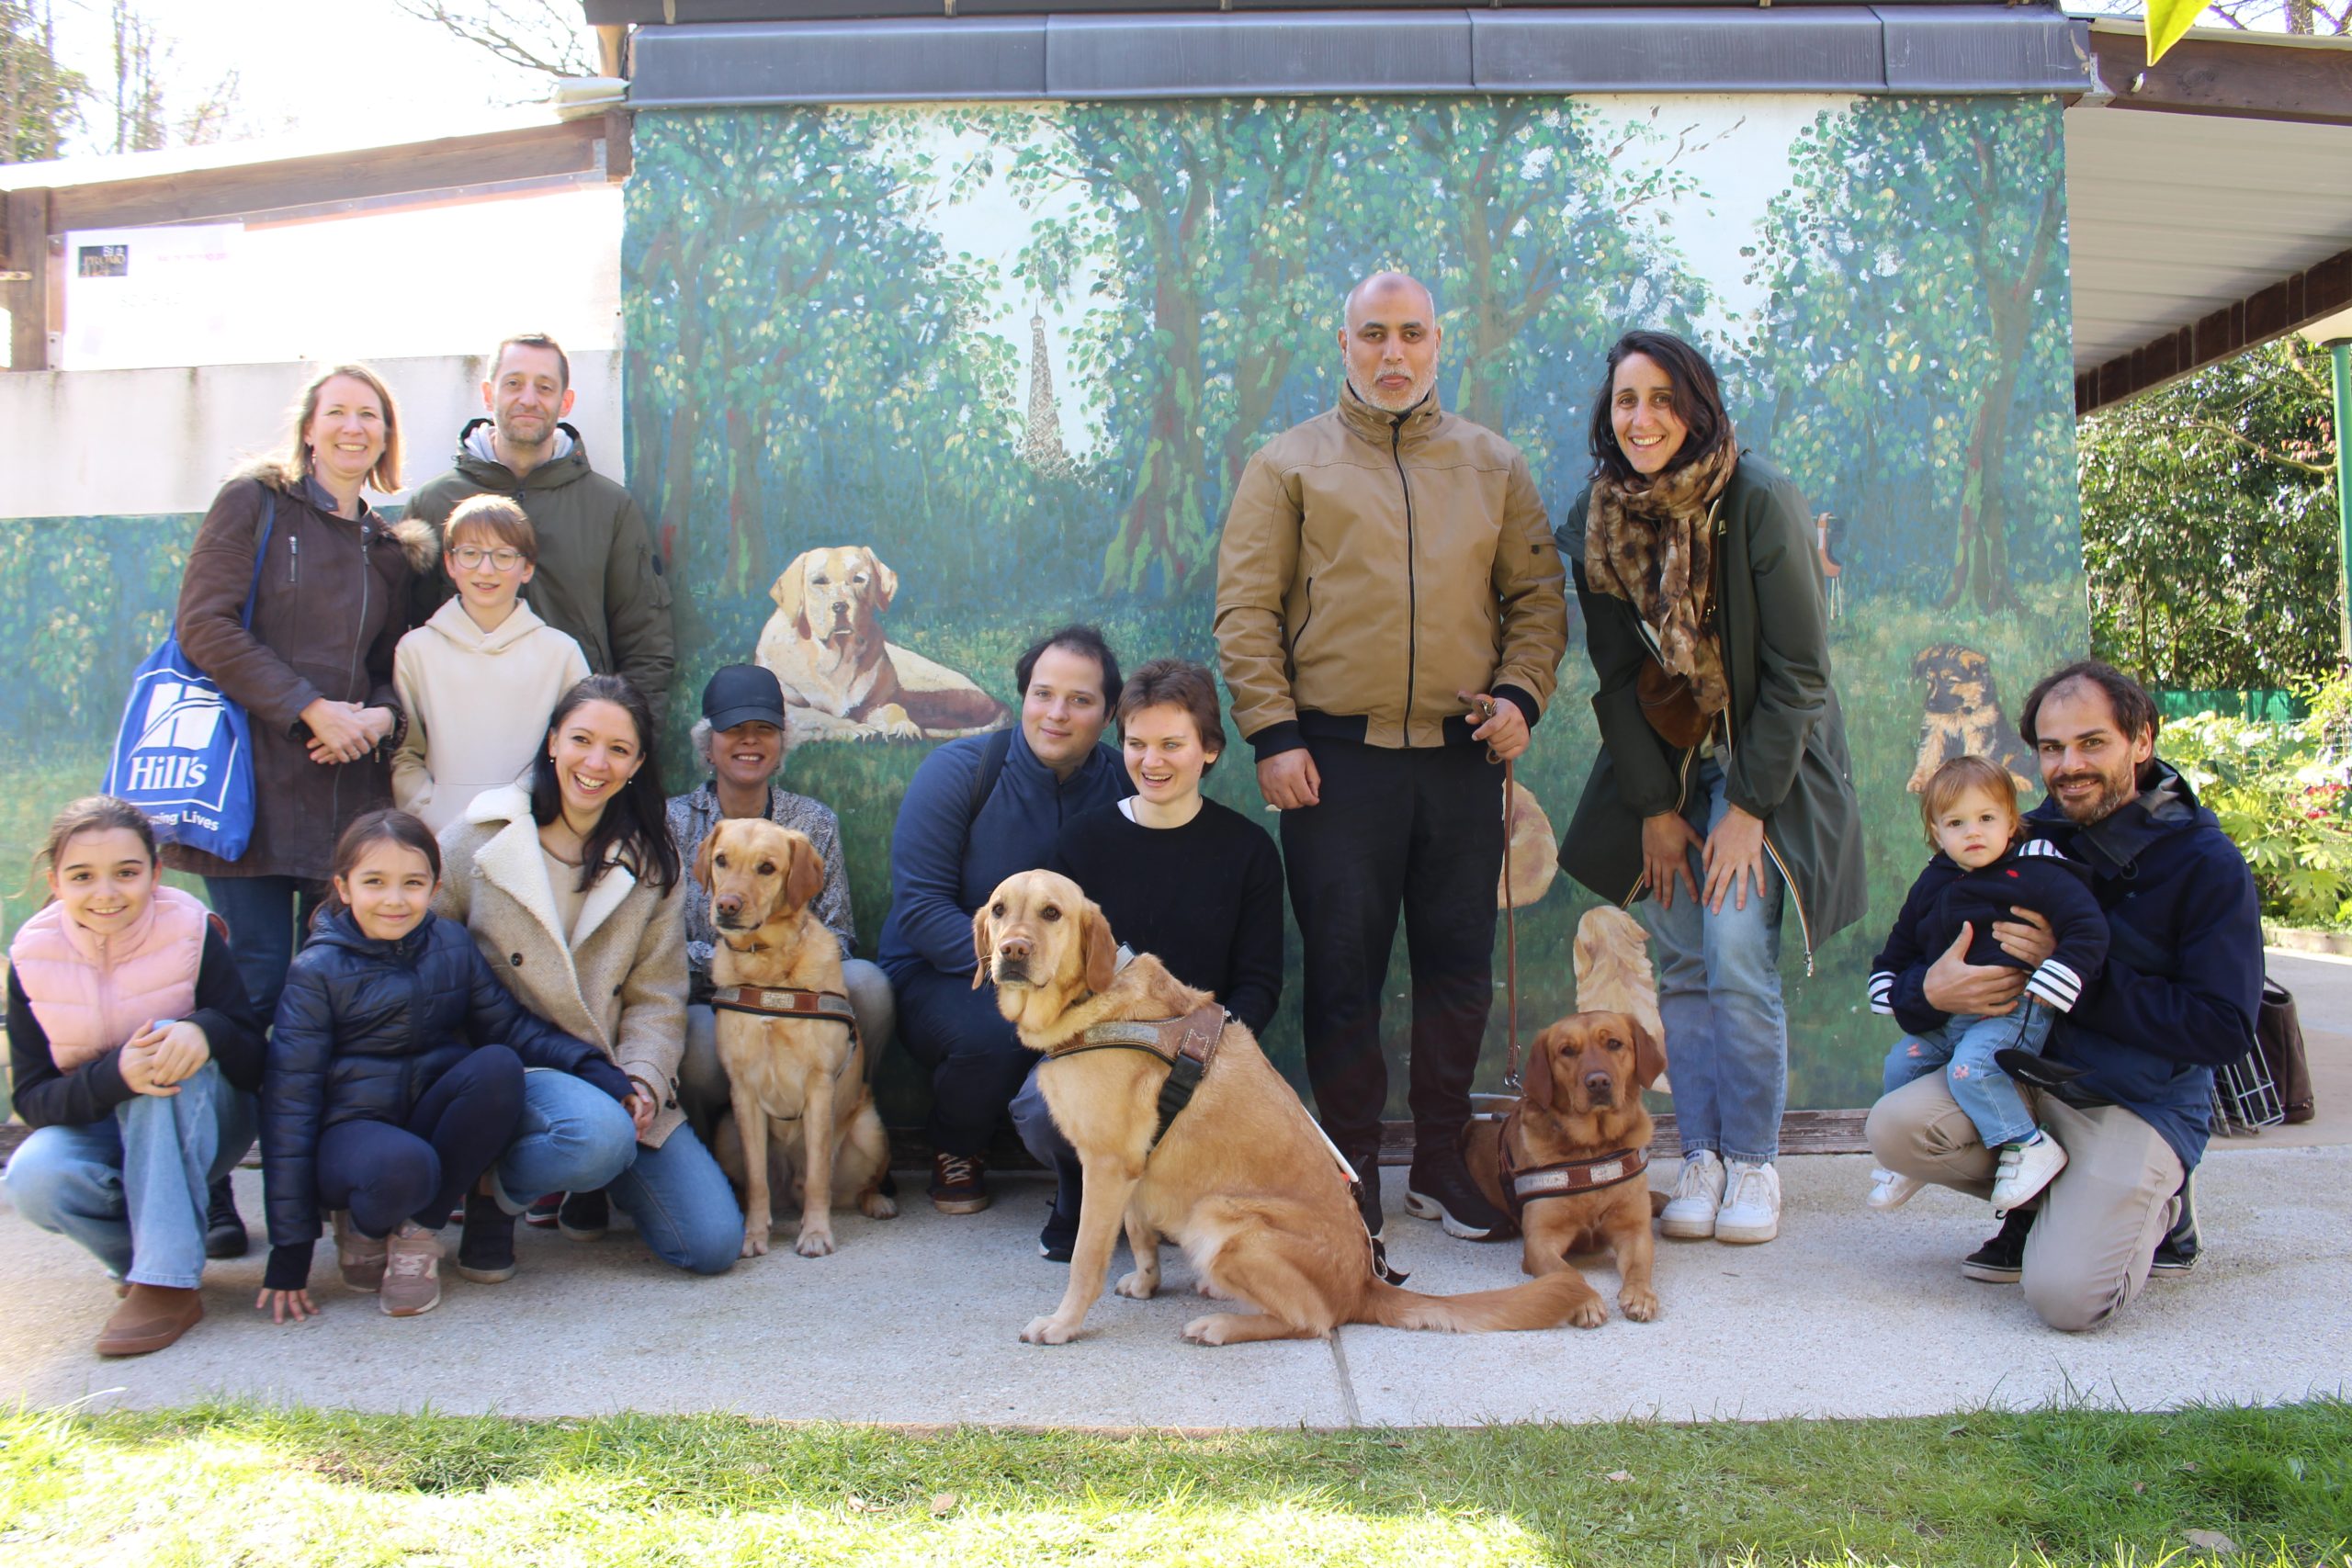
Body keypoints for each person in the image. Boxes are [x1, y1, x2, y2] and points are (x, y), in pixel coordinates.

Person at [1215, 270, 1566, 1245]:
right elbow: (1246, 610)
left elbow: (1538, 601)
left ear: (1438, 342)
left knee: (1459, 969)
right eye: (1373, 334)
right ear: (1345, 345)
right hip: (1334, 762)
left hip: (1460, 759)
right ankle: (1354, 1166)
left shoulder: (1493, 464)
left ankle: (1442, 1162)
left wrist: (1520, 695)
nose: (1393, 353)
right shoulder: (1287, 465)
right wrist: (1273, 734)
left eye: (1412, 333)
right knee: (1342, 971)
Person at [1556, 329, 1865, 1247]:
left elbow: (1800, 673)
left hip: (1760, 757)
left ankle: (1754, 1161)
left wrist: (1750, 810)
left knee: (1735, 951)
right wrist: (1655, 809)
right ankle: (1701, 1156)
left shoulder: (1755, 497)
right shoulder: (1597, 518)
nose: (1642, 418)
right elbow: (1617, 679)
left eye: (1662, 398)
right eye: (1627, 400)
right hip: (1668, 765)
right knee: (1683, 959)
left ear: (1696, 408)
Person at [1866, 660, 2261, 1332]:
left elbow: (2223, 1028)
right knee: (1896, 1127)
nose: (2069, 765)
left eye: (2092, 742)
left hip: (2135, 1098)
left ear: (2142, 740)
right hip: (2024, 1074)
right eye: (2052, 748)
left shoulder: (2205, 863)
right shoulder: (2016, 835)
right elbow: (1924, 936)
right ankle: (2040, 1203)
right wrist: (1924, 990)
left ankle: (2162, 1206)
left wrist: (2072, 972)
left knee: (2068, 1299)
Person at [165, 361, 419, 1258]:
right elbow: (205, 625)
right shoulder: (255, 503)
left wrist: (378, 717)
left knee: (341, 1006)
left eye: (370, 415)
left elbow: (393, 666)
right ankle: (203, 1185)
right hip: (253, 794)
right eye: (337, 412)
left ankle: (329, 1192)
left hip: (348, 805)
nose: (353, 427)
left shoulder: (391, 548)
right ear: (309, 427)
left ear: (385, 437)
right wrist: (308, 708)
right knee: (255, 991)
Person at [254, 811, 632, 1320]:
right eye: (374, 882)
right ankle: (365, 1227)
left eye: (412, 883)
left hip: (424, 1120)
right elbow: (289, 1106)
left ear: (434, 888)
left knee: (497, 1066)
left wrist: (597, 1070)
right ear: (343, 888)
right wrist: (290, 1250)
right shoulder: (316, 973)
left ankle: (417, 1234)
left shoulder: (450, 944)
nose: (394, 899)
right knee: (404, 1166)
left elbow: (509, 1027)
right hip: (351, 1134)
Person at [435, 674, 739, 1276]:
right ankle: (494, 1192)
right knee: (598, 1136)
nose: (596, 763)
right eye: (581, 740)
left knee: (712, 1243)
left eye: (618, 749)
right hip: (505, 1072)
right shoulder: (478, 838)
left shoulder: (653, 862)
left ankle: (581, 1173)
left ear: (637, 764)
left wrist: (644, 1081)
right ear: (552, 741)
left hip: (611, 1073)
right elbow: (422, 951)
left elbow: (658, 995)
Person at [1010, 657, 1286, 1259]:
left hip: (1203, 1052)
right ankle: (1080, 1192)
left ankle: (1170, 1205)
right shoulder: (1082, 842)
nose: (1151, 761)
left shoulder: (1248, 850)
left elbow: (1260, 981)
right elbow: (1057, 973)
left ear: (1209, 749)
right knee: (1038, 1108)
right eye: (1137, 744)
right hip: (1102, 1048)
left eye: (1171, 745)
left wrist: (1200, 1055)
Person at [878, 626, 1131, 1215]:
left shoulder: (1124, 784)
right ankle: (957, 1143)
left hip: (1071, 975)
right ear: (1023, 697)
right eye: (1043, 694)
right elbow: (920, 909)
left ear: (1109, 713)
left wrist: (1068, 979)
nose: (1057, 714)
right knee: (998, 1029)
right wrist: (1015, 968)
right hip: (943, 971)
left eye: (1080, 700)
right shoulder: (960, 772)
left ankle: (1098, 1174)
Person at [4, 796, 264, 1356]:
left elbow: (253, 1060)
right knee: (32, 1176)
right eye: (82, 876)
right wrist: (114, 1077)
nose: (106, 893)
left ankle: (167, 1285)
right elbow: (33, 1099)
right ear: (55, 881)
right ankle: (149, 1263)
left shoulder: (190, 930)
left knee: (163, 1046)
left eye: (126, 872)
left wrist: (205, 1031)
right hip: (106, 1129)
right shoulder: (31, 956)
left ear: (155, 873)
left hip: (206, 1122)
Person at [1865, 755, 2109, 1214]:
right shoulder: (1933, 881)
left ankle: (2027, 1143)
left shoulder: (2036, 872)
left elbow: (2088, 928)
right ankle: (1908, 1158)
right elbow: (1903, 940)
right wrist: (1889, 981)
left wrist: (2058, 973)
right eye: (1956, 823)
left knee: (1973, 1069)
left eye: (1986, 818)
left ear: (2011, 822)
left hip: (2012, 1009)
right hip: (1950, 1016)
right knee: (1901, 1062)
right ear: (1937, 832)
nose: (1973, 832)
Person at [667, 663, 896, 1145]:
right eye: (734, 729)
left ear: (782, 744)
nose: (750, 740)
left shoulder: (812, 822)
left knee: (868, 985)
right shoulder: (672, 822)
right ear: (708, 745)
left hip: (801, 992)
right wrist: (738, 967)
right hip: (713, 999)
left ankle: (840, 1136)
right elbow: (661, 945)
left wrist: (780, 975)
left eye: (765, 729)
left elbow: (839, 934)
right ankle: (708, 1159)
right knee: (700, 1048)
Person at [405, 333, 675, 727]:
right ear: (488, 394)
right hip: (463, 730)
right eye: (514, 383)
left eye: (544, 387)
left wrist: (629, 737)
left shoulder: (609, 507)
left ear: (565, 401)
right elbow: (409, 628)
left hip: (577, 736)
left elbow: (645, 640)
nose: (529, 399)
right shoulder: (433, 503)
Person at [390, 496, 591, 835]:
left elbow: (580, 748)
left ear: (527, 568)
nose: (486, 570)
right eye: (470, 554)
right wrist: (430, 809)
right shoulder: (416, 650)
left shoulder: (561, 653)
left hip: (533, 834)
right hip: (442, 834)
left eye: (504, 556)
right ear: (450, 563)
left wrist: (544, 813)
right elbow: (405, 752)